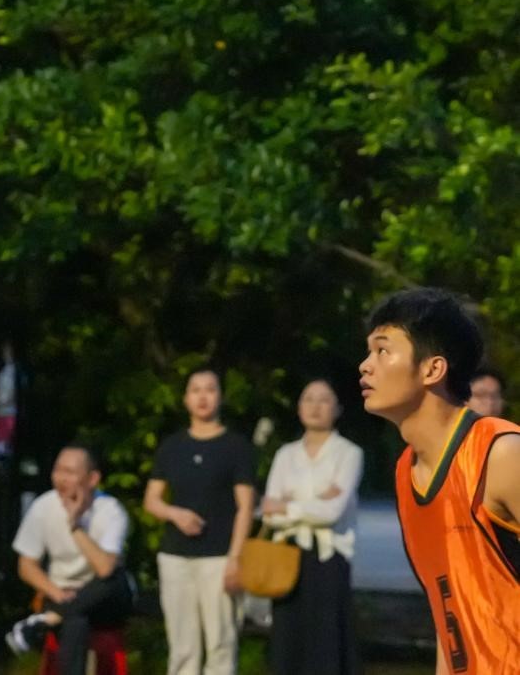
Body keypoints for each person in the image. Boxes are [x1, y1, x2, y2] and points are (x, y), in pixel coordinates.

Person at [360, 288, 520, 674]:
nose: (365, 365)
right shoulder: (406, 473)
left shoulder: (501, 454)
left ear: (433, 369)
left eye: (382, 351)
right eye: (368, 352)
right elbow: (448, 612)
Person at [143, 368, 256, 675]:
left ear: (220, 397)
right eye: (196, 390)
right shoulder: (172, 447)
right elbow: (152, 500)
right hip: (175, 556)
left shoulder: (236, 446)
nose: (203, 397)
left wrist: (235, 558)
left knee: (221, 642)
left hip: (219, 557)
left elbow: (245, 507)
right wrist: (174, 514)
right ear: (185, 399)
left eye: (210, 389)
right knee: (182, 645)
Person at [261, 380, 363, 675]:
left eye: (324, 400)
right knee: (288, 640)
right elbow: (269, 514)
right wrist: (315, 500)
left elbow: (332, 512)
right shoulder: (285, 454)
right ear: (299, 407)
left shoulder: (349, 453)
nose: (315, 406)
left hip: (329, 555)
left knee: (327, 640)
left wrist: (288, 504)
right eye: (309, 399)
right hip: (287, 555)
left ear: (338, 409)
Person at [4, 443, 134, 674]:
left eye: (70, 472)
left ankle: (48, 619)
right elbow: (26, 566)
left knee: (114, 579)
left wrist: (74, 526)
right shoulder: (43, 506)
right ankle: (57, 616)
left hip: (104, 596)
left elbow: (105, 569)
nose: (61, 478)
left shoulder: (110, 511)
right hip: (61, 591)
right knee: (76, 619)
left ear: (92, 479)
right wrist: (57, 594)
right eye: (58, 470)